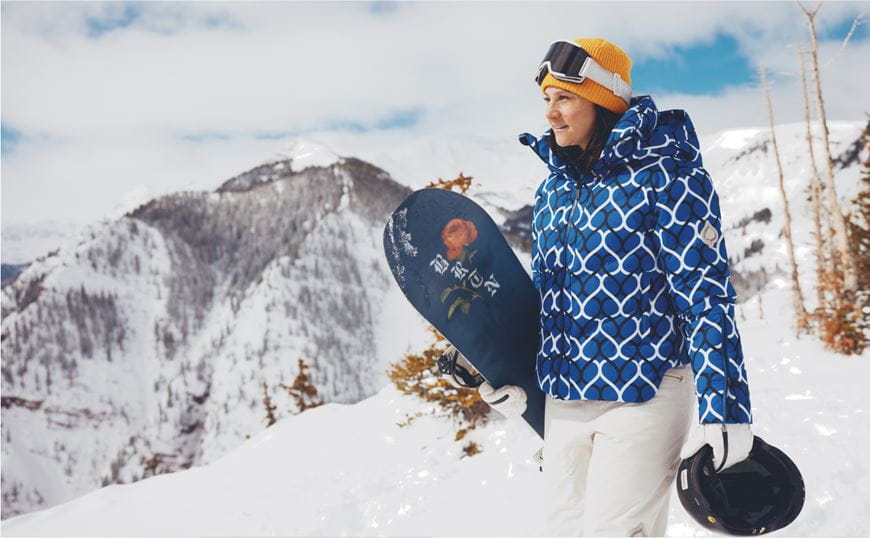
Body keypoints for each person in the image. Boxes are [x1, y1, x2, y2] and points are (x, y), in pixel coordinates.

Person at [447, 38, 755, 537]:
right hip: (567, 398)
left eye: (565, 97)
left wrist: (727, 407)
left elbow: (706, 298)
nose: (551, 113)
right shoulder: (554, 189)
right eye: (546, 99)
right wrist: (498, 361)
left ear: (605, 100)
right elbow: (548, 302)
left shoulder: (668, 177)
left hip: (645, 394)